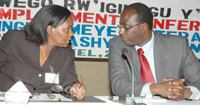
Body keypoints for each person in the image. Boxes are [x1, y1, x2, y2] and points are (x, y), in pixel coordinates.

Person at [109, 2, 200, 100]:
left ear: (143, 27)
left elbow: (198, 80)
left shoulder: (178, 45)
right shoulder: (117, 45)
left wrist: (184, 92)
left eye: (126, 27)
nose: (121, 32)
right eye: (120, 26)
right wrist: (157, 88)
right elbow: (118, 84)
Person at [0, 4, 86, 100]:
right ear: (49, 29)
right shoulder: (15, 40)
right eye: (67, 29)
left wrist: (75, 88)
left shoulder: (67, 54)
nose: (71, 34)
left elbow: (69, 82)